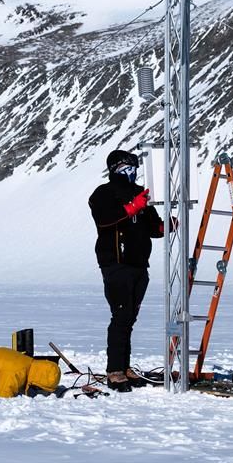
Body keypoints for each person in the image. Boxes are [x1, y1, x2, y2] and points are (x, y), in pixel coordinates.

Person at [88, 149, 167, 392]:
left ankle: (124, 366)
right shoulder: (103, 193)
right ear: (115, 168)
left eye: (133, 166)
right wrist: (132, 207)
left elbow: (154, 228)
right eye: (126, 166)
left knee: (129, 318)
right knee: (121, 316)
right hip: (116, 263)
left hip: (139, 264)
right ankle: (114, 370)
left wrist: (172, 224)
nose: (131, 171)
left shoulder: (139, 193)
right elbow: (105, 220)